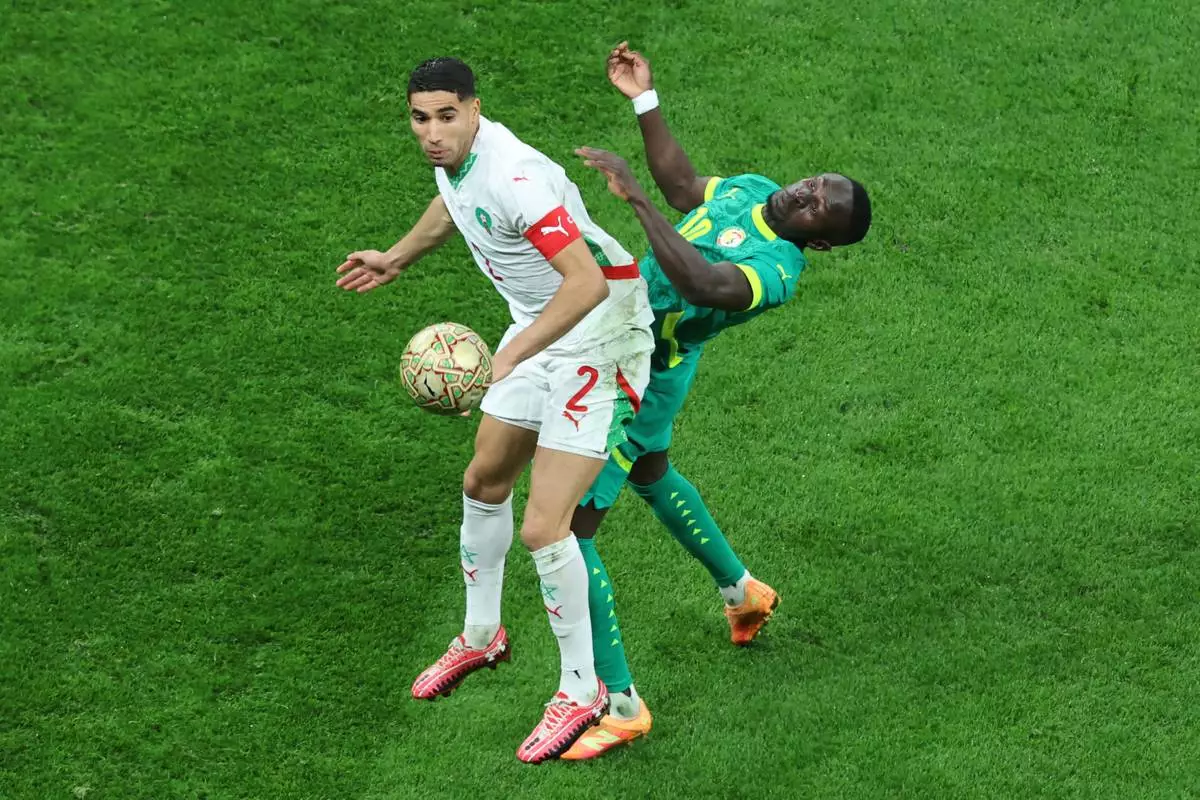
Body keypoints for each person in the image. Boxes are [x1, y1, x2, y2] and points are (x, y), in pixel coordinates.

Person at [558, 42, 873, 760]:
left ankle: (621, 705)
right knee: (651, 474)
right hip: (635, 349)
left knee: (570, 533)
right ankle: (743, 592)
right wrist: (644, 99)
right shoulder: (754, 189)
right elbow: (681, 185)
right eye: (815, 182)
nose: (804, 193)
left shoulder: (777, 271)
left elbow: (702, 283)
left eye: (818, 208)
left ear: (820, 244)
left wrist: (634, 201)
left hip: (639, 379)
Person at [335, 57, 654, 764]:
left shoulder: (516, 178)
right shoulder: (457, 158)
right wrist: (397, 257)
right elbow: (455, 203)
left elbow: (586, 284)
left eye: (447, 116)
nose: (432, 133)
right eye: (420, 118)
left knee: (545, 527)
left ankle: (582, 690)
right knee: (483, 481)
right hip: (540, 328)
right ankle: (483, 636)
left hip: (600, 337)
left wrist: (510, 359)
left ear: (475, 109)